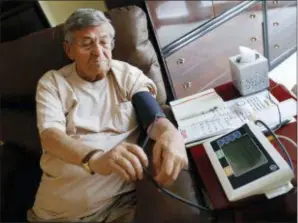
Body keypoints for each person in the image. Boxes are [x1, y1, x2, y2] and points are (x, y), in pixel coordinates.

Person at [27, 8, 188, 222]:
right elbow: (51, 137)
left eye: (104, 42)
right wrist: (94, 159)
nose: (98, 51)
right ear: (69, 50)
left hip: (117, 209)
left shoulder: (127, 75)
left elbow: (153, 116)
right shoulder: (53, 83)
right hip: (55, 214)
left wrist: (171, 133)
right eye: (86, 44)